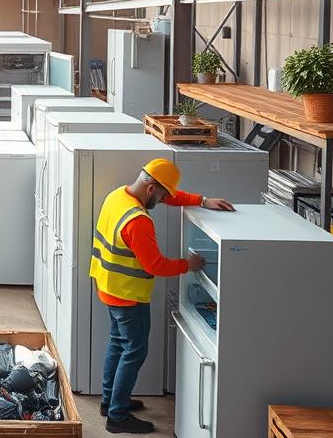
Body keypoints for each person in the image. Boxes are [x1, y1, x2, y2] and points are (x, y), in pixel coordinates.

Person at [90, 158, 234, 434]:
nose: (167, 199)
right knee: (134, 351)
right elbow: (154, 264)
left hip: (108, 287)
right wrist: (186, 266)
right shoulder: (138, 221)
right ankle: (117, 417)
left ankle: (110, 402)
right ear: (151, 188)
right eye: (164, 195)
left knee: (118, 345)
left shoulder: (118, 196)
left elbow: (172, 196)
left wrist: (202, 200)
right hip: (129, 297)